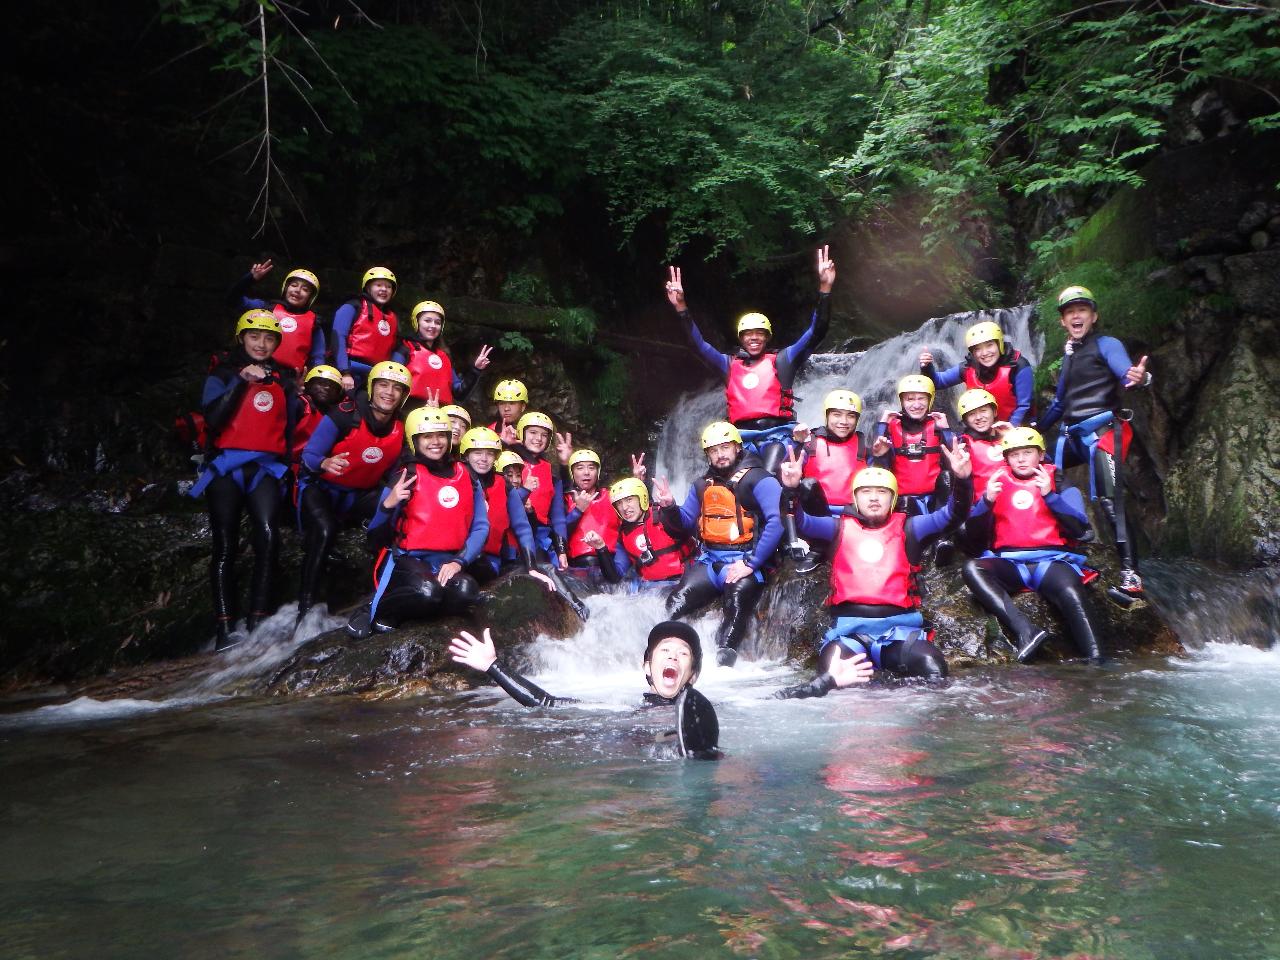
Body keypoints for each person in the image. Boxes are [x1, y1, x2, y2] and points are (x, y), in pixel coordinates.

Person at [779, 444, 973, 686]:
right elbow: (799, 521)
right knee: (829, 676)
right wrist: (790, 489)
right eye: (866, 492)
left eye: (881, 492)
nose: (873, 498)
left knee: (933, 667)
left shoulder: (911, 528)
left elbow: (954, 515)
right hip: (849, 633)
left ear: (892, 499)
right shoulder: (836, 528)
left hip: (900, 634)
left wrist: (963, 480)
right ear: (855, 498)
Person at [665, 246, 834, 473]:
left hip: (778, 435)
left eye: (759, 333)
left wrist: (825, 289)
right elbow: (698, 345)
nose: (753, 337)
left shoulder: (784, 360)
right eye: (748, 334)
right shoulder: (728, 365)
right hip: (741, 439)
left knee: (771, 474)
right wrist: (681, 308)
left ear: (767, 337)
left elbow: (816, 332)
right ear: (741, 339)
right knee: (737, 482)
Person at [448, 621, 722, 759]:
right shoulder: (621, 709)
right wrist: (493, 666)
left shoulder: (705, 715)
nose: (673, 656)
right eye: (665, 650)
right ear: (648, 668)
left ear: (693, 675)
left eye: (682, 653)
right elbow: (547, 703)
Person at [190, 310, 299, 650]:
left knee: (269, 539)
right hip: (227, 468)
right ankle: (224, 629)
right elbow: (215, 418)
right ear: (242, 339)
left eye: (268, 338)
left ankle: (257, 622)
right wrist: (241, 381)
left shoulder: (283, 379)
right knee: (225, 546)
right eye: (255, 337)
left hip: (265, 470)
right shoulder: (222, 374)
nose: (261, 344)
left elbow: (291, 426)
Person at [1038, 285, 1151, 600]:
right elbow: (1060, 404)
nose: (1076, 315)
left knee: (1108, 499)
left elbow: (1125, 374)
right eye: (1069, 312)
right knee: (1038, 472)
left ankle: (1131, 576)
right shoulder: (1070, 354)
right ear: (1063, 321)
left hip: (1104, 433)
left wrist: (1139, 378)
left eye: (1082, 310)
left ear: (1093, 315)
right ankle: (1062, 546)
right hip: (1072, 436)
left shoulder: (1107, 344)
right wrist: (1029, 429)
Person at [961, 427, 1103, 664]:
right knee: (972, 568)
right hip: (1009, 563)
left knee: (1070, 590)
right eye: (1015, 454)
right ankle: (1026, 631)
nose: (1021, 459)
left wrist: (1050, 495)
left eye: (1027, 453)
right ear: (1006, 458)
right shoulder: (996, 483)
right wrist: (986, 502)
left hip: (1051, 562)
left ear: (1040, 454)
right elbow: (973, 540)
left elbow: (1081, 530)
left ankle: (1096, 657)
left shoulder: (1058, 480)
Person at [347, 406, 489, 637]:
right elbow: (374, 536)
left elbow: (481, 526)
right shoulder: (407, 476)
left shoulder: (468, 475)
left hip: (449, 560)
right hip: (410, 561)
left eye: (441, 435)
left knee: (465, 591)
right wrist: (387, 506)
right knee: (427, 592)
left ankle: (424, 614)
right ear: (415, 440)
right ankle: (382, 612)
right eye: (427, 436)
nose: (436, 442)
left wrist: (459, 562)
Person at [656, 421, 784, 667]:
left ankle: (723, 660)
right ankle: (665, 653)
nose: (720, 454)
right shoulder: (702, 485)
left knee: (736, 604)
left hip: (744, 559)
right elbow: (684, 523)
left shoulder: (759, 479)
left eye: (725, 448)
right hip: (711, 561)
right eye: (714, 451)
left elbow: (776, 522)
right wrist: (670, 506)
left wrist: (751, 563)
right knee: (675, 603)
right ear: (708, 455)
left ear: (738, 447)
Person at [296, 360, 411, 620]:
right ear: (371, 388)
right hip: (322, 489)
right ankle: (304, 610)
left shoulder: (401, 428)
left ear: (403, 396)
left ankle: (384, 594)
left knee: (398, 512)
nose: (389, 392)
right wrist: (324, 462)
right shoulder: (343, 414)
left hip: (360, 494)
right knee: (325, 530)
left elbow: (397, 471)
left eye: (396, 388)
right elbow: (310, 455)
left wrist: (394, 493)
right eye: (383, 385)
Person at [458, 426, 553, 592]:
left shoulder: (504, 485)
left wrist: (531, 567)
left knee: (479, 562)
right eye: (478, 453)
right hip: (454, 556)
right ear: (466, 455)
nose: (484, 459)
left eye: (489, 453)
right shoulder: (454, 478)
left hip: (488, 560)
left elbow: (522, 528)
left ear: (495, 457)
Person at [783, 389, 867, 570]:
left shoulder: (864, 444)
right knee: (807, 484)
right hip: (816, 516)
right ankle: (818, 547)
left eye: (850, 416)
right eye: (837, 415)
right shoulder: (810, 441)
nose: (844, 422)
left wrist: (883, 456)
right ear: (827, 416)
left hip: (852, 514)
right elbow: (788, 469)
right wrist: (796, 444)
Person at [919, 319, 1035, 425]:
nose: (984, 353)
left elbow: (1024, 406)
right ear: (973, 353)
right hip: (983, 428)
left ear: (999, 344)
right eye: (977, 349)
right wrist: (927, 367)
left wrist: (1009, 429)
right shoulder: (968, 367)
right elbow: (937, 382)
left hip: (1018, 427)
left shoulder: (1018, 366)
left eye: (989, 345)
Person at [870, 375, 956, 516]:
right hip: (901, 502)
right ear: (902, 402)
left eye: (921, 398)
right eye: (910, 399)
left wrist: (946, 430)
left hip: (934, 499)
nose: (916, 405)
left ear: (930, 400)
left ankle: (944, 528)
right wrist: (882, 426)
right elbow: (877, 469)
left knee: (947, 476)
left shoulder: (938, 425)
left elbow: (955, 463)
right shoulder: (891, 427)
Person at [228, 260, 325, 378]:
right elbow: (233, 300)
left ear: (311, 297)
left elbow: (318, 358)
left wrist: (313, 380)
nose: (297, 290)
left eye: (305, 289)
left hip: (290, 380)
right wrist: (250, 279)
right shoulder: (266, 308)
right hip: (258, 372)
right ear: (285, 288)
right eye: (293, 285)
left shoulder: (314, 323)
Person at [393, 299, 492, 409]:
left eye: (438, 322)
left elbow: (459, 392)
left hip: (440, 416)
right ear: (417, 322)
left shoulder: (444, 356)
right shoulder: (405, 349)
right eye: (427, 321)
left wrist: (475, 370)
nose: (433, 325)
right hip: (409, 411)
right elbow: (391, 381)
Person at [953, 388, 1011, 556]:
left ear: (994, 411)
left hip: (1016, 498)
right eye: (972, 414)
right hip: (985, 506)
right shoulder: (963, 444)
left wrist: (1016, 437)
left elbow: (1044, 463)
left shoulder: (1010, 436)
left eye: (983, 410)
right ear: (966, 420)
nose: (979, 417)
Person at [609, 476, 694, 590]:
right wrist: (601, 549)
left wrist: (671, 507)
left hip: (682, 580)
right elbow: (616, 576)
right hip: (650, 589)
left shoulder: (664, 515)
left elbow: (684, 526)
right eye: (619, 503)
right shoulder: (623, 535)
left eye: (629, 500)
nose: (624, 507)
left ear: (642, 498)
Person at [512, 411, 569, 569]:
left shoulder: (552, 476)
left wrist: (561, 550)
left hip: (540, 536)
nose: (538, 438)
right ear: (521, 433)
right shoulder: (507, 464)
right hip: (512, 535)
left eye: (544, 435)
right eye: (532, 432)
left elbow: (558, 517)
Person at [560, 447, 623, 588]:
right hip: (577, 568)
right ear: (572, 473)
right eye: (580, 468)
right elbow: (559, 534)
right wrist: (578, 510)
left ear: (598, 472)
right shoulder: (564, 499)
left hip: (609, 565)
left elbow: (633, 514)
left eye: (591, 468)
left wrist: (638, 480)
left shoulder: (613, 496)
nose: (586, 472)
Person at [331, 266, 400, 392]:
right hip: (350, 370)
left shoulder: (392, 317)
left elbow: (394, 349)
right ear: (368, 288)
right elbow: (338, 337)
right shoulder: (352, 306)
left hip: (376, 376)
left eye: (388, 287)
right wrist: (344, 372)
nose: (384, 289)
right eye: (378, 285)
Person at [290, 365, 345, 468]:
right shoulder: (299, 404)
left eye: (333, 386)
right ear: (308, 384)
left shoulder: (336, 416)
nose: (327, 388)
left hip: (311, 468)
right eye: (322, 383)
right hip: (286, 463)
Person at [489, 379, 529, 447]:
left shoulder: (533, 432)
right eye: (502, 403)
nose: (506, 408)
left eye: (512, 403)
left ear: (523, 406)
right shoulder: (490, 432)